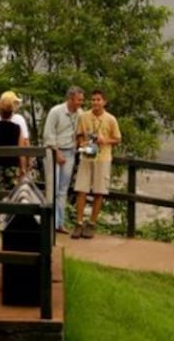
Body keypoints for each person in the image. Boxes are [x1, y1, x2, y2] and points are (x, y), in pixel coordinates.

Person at [70, 89, 121, 240]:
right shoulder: (84, 116)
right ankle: (79, 223)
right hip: (87, 156)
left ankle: (92, 223)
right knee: (81, 190)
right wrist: (81, 142)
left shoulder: (111, 119)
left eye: (98, 100)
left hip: (103, 158)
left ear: (104, 102)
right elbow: (79, 135)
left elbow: (117, 139)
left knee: (99, 191)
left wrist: (105, 140)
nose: (95, 102)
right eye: (93, 100)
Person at [43, 86, 83, 234]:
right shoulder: (56, 111)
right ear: (70, 99)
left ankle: (60, 223)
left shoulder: (80, 114)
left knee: (63, 189)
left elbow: (80, 132)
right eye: (79, 100)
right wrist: (57, 152)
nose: (81, 102)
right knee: (52, 187)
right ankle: (51, 222)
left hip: (70, 152)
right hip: (54, 151)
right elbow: (48, 134)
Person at [0, 91, 29, 192]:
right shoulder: (17, 127)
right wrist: (23, 167)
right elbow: (21, 148)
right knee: (12, 193)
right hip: (12, 165)